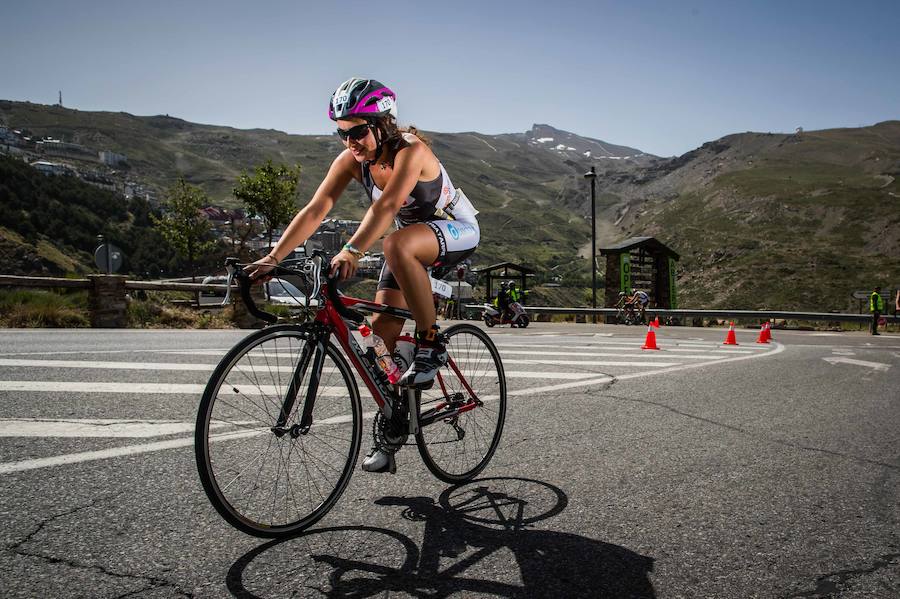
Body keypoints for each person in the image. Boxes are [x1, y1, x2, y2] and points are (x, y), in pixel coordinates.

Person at [245, 77, 480, 472]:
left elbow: (388, 205)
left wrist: (353, 249)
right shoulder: (352, 162)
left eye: (357, 132)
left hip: (456, 230)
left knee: (394, 243)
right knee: (380, 339)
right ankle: (394, 424)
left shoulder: (411, 151)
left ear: (383, 124)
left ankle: (430, 341)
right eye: (341, 134)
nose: (350, 142)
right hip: (409, 243)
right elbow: (316, 209)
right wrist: (272, 257)